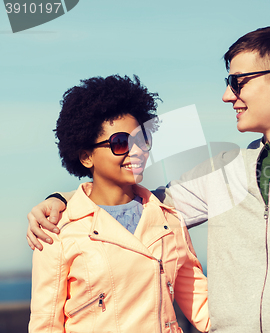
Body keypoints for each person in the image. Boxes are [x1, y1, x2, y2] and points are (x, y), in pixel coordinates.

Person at [27, 25, 270, 332]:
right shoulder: (222, 173)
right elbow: (138, 202)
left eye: (238, 81)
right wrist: (61, 201)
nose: (227, 95)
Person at [29, 75, 210, 333]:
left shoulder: (169, 220)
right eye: (120, 142)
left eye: (142, 140)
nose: (137, 151)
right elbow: (46, 326)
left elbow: (203, 307)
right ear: (86, 156)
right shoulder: (57, 230)